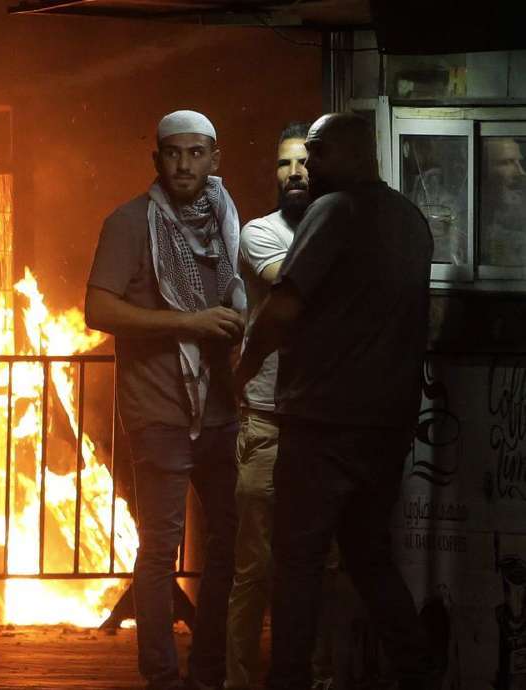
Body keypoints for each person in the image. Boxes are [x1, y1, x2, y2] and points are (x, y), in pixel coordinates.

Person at [235, 113, 438, 690]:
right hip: (387, 422)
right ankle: (416, 666)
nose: (308, 167)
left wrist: (244, 368)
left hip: (322, 420)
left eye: (317, 153)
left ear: (349, 154)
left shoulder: (333, 211)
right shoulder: (410, 219)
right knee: (368, 554)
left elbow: (285, 306)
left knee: (297, 559)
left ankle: (289, 679)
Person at [85, 109, 243, 690]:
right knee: (160, 548)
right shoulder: (129, 223)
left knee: (227, 543)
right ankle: (162, 676)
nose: (185, 164)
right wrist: (190, 322)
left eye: (196, 153)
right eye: (173, 153)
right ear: (157, 159)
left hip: (221, 412)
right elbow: (98, 310)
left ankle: (208, 669)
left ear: (214, 158)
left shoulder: (227, 221)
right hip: (158, 411)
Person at [226, 122, 339, 690]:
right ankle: (240, 681)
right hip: (268, 417)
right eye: (283, 164)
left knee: (322, 563)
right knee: (256, 567)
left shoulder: (341, 228)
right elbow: (296, 286)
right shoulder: (259, 232)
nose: (295, 173)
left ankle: (319, 679)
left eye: (304, 163)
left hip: (321, 423)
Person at [481, 137, 526, 267]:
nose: (521, 172)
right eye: (507, 162)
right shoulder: (468, 212)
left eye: (519, 162)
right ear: (485, 168)